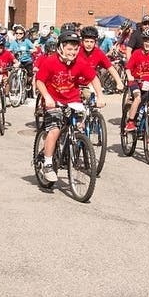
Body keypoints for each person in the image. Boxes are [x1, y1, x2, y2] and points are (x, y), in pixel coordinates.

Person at [34, 29, 100, 182]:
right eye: (69, 49)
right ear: (61, 48)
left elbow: (93, 78)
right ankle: (48, 164)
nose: (73, 52)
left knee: (80, 126)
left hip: (73, 101)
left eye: (76, 49)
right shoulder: (50, 61)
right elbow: (40, 81)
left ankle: (71, 148)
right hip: (53, 101)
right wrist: (47, 97)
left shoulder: (80, 62)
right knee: (55, 129)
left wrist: (100, 95)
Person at [77, 25, 124, 94]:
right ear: (82, 41)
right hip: (74, 84)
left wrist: (119, 82)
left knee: (95, 100)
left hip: (90, 84)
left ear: (95, 42)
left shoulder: (98, 53)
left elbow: (110, 68)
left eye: (91, 42)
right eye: (86, 41)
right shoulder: (76, 51)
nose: (89, 44)